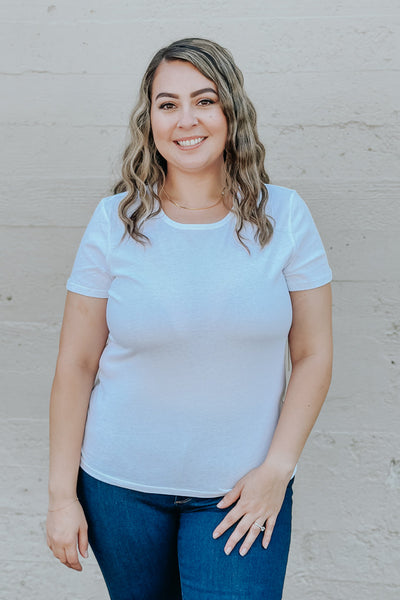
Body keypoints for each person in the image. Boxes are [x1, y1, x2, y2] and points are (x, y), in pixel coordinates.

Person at [46, 38, 333, 600]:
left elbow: (314, 354)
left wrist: (278, 469)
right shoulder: (116, 220)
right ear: (148, 119)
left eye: (204, 100)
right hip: (119, 488)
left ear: (231, 110)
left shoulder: (286, 216)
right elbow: (76, 365)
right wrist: (62, 496)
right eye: (167, 103)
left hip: (242, 492)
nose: (186, 120)